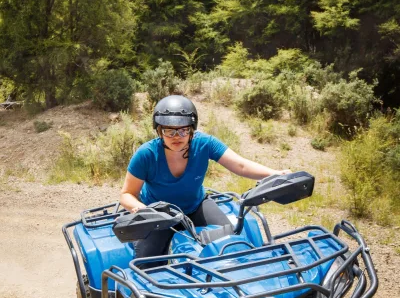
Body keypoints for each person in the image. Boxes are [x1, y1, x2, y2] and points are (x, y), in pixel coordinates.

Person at [120, 95, 290, 260]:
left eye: (183, 130)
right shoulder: (146, 154)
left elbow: (241, 165)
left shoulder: (205, 143)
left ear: (192, 129)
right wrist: (141, 210)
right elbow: (127, 194)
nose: (177, 137)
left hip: (196, 206)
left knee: (228, 243)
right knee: (147, 264)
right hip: (158, 214)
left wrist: (274, 173)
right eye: (169, 131)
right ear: (159, 131)